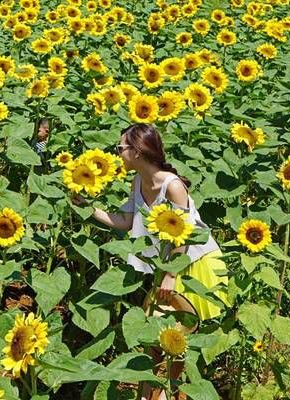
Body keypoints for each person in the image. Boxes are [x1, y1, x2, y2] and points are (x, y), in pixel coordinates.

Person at [72, 123, 230, 400]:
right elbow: (126, 221)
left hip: (192, 264)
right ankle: (152, 395)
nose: (117, 153)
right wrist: (89, 208)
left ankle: (165, 393)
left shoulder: (173, 186)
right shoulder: (138, 181)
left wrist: (171, 275)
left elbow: (185, 233)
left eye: (120, 148)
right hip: (167, 266)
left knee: (178, 339)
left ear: (137, 151)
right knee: (161, 338)